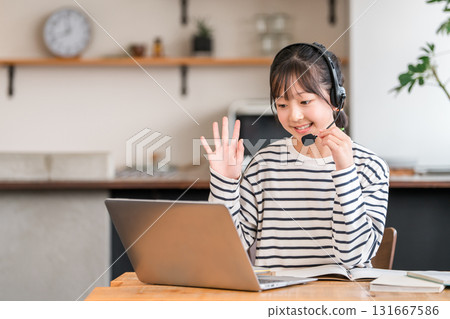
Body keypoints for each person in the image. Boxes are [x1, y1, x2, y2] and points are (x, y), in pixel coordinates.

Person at [200, 42, 389, 270]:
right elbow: (225, 254)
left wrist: (345, 173)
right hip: (274, 299)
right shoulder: (263, 165)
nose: (294, 115)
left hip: (341, 299)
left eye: (305, 101)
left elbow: (353, 258)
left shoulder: (370, 167)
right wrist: (225, 183)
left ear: (337, 99)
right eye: (282, 104)